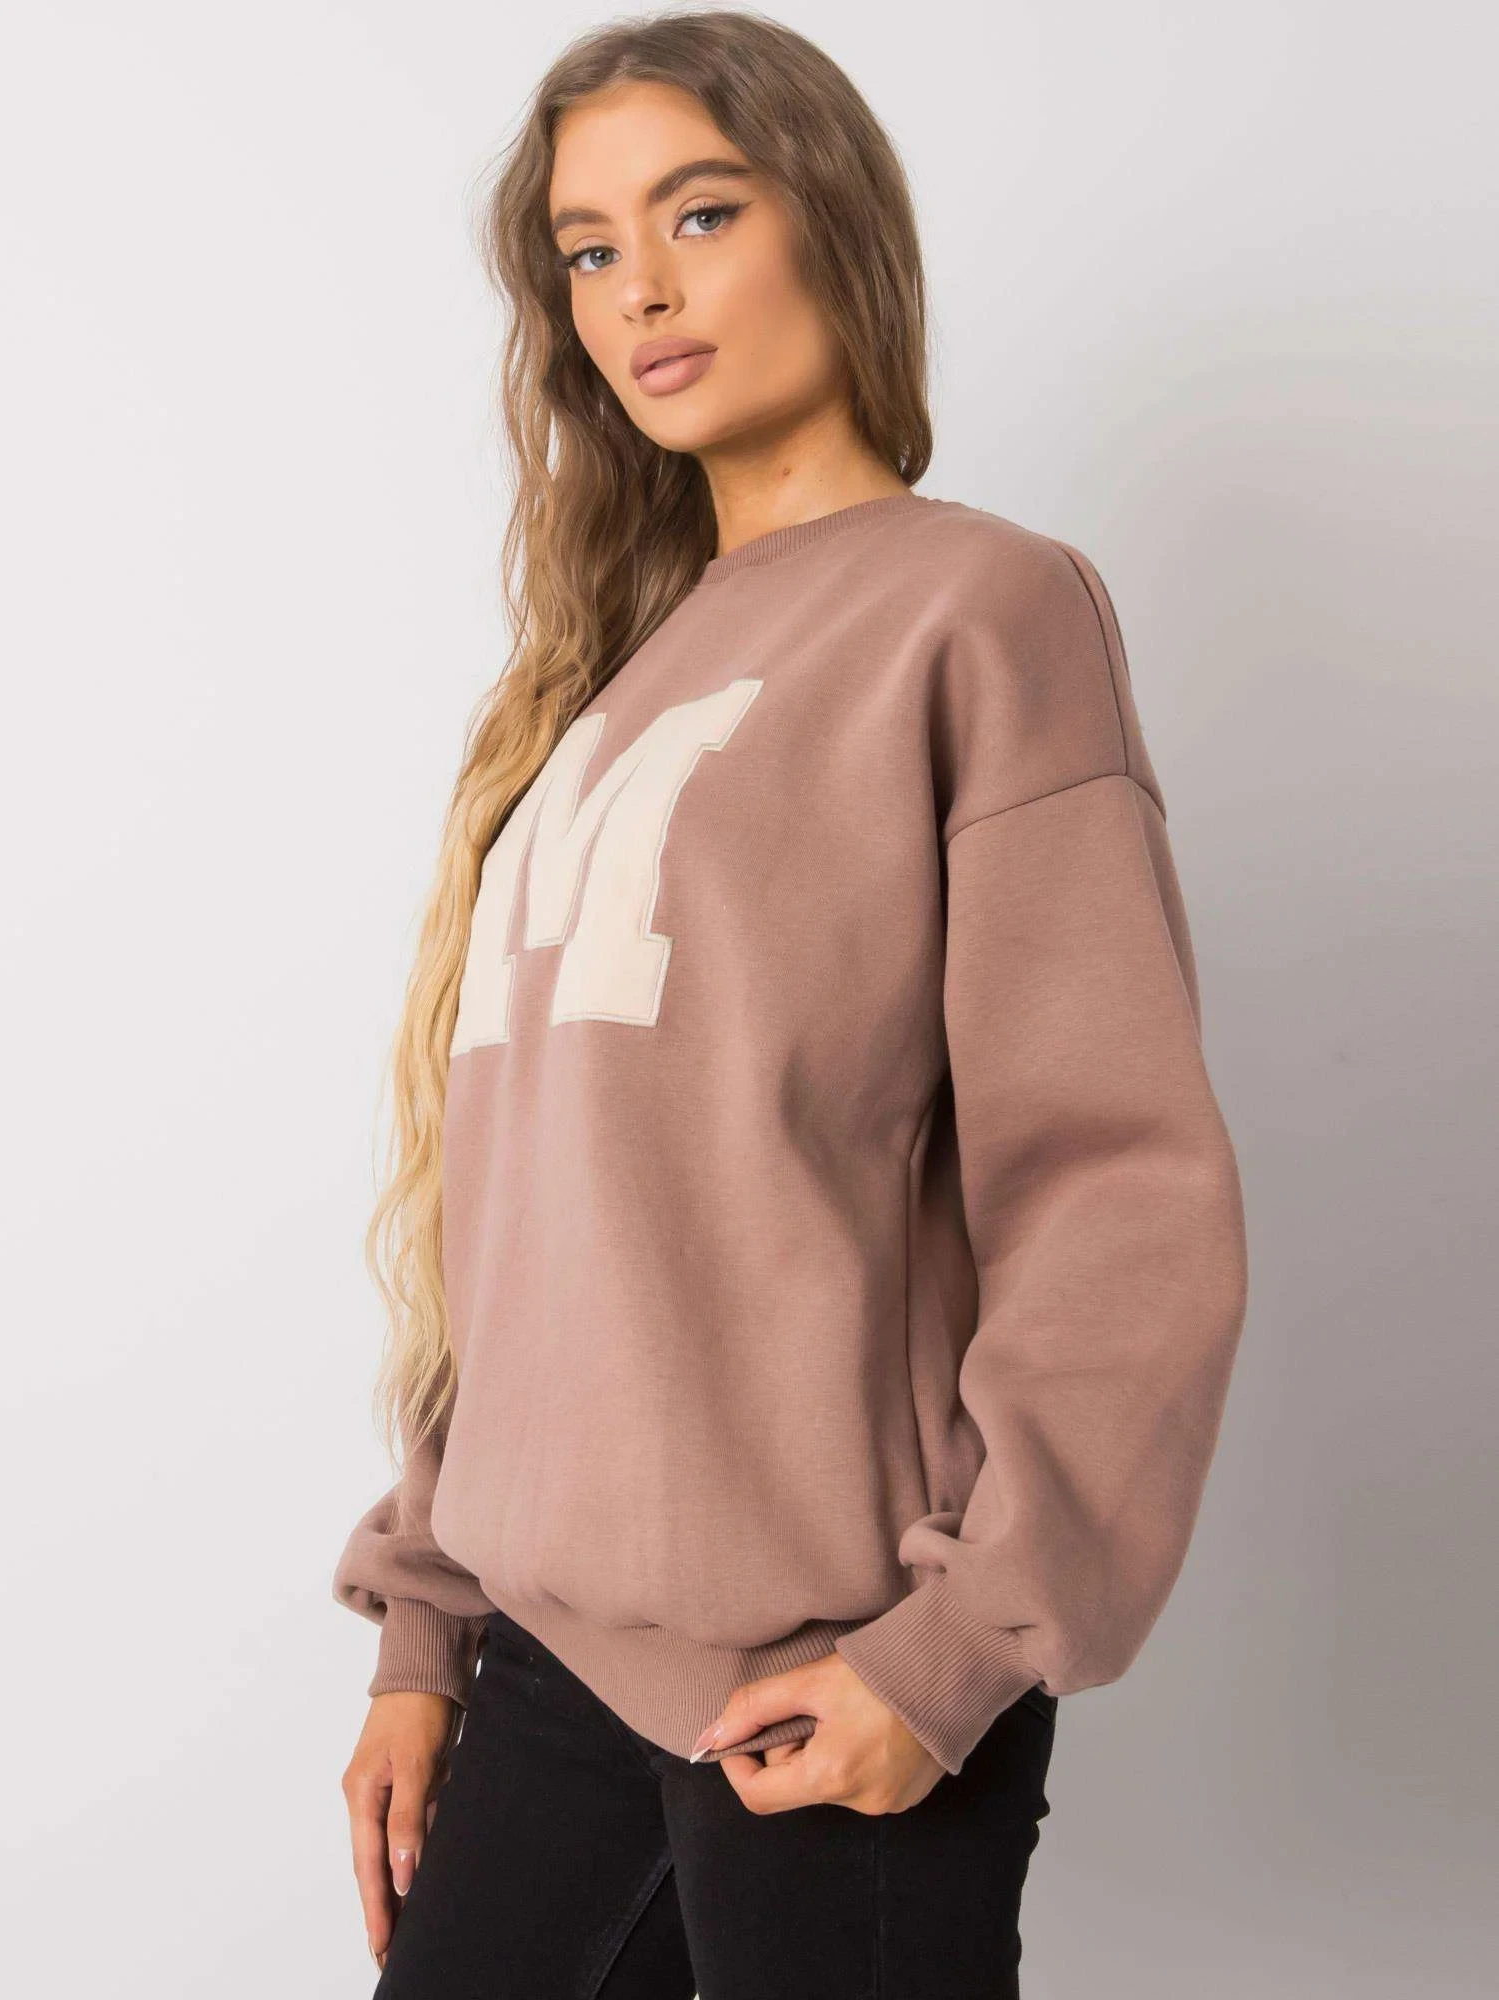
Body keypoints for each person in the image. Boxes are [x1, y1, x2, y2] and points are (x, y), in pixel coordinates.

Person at [331, 11, 1250, 1997]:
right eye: (587, 250)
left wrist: (957, 1650)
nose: (639, 291)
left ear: (829, 215)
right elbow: (531, 1211)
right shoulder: (597, 685)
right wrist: (425, 1626)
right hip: (550, 1656)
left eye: (698, 213)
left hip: (830, 1675)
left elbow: (1112, 1182)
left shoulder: (982, 609)